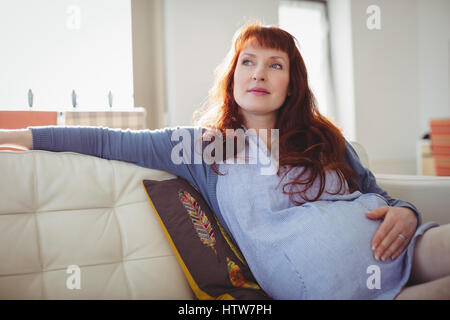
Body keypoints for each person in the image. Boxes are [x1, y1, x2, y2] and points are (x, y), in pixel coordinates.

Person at [0, 22, 448, 299]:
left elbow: (377, 195)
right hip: (333, 288)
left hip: (406, 245)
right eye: (248, 62)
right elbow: (109, 141)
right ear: (233, 77)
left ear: (291, 85)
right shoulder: (203, 147)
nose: (258, 73)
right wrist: (16, 134)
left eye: (276, 65)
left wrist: (406, 214)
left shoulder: (324, 139)